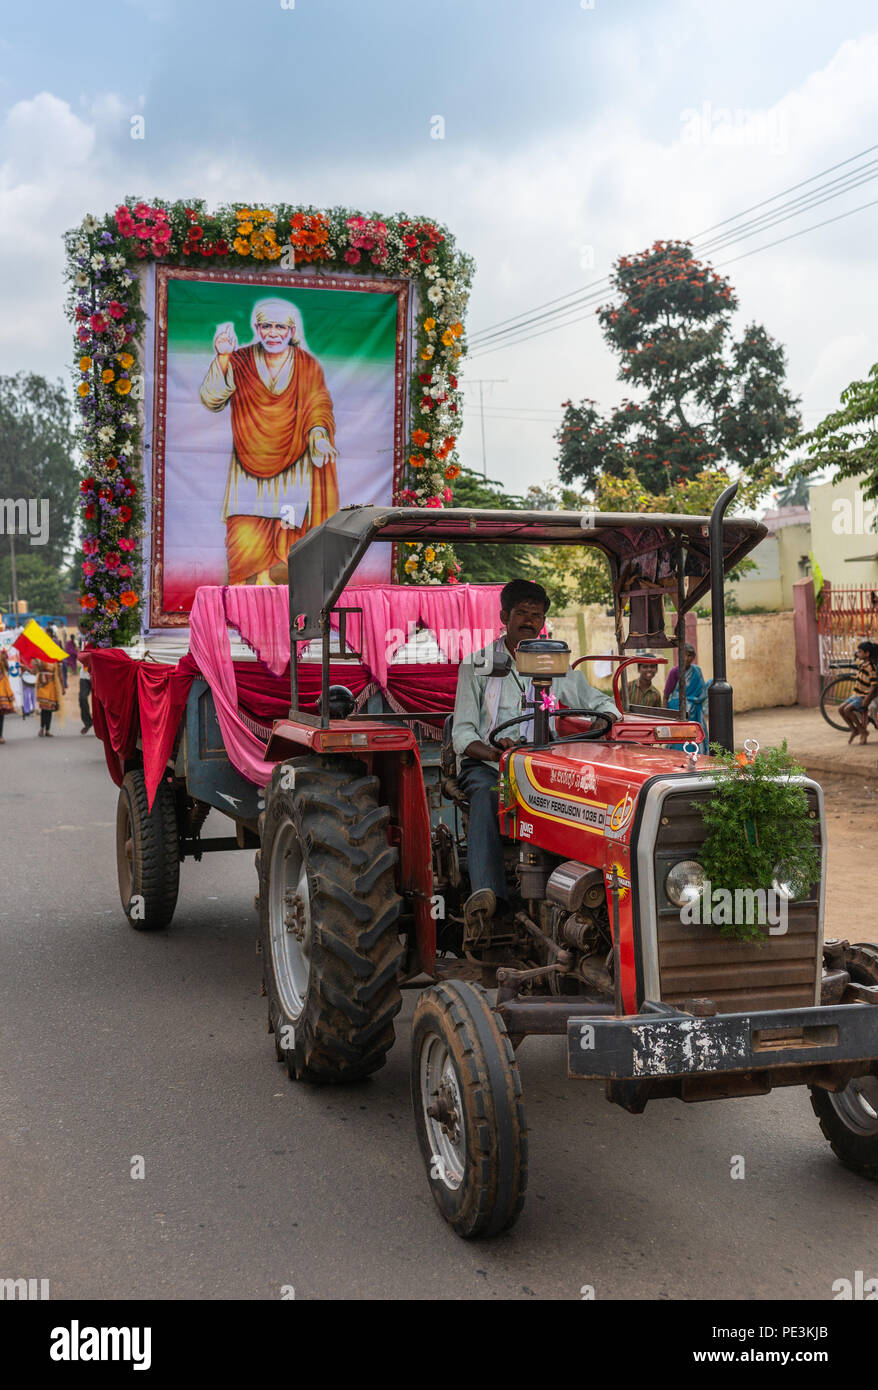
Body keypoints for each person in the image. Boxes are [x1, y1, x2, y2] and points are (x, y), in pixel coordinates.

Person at [452, 578, 620, 927]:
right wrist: (495, 753)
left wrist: (610, 721)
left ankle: (579, 895)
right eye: (522, 613)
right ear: (504, 616)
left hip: (540, 760)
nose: (529, 621)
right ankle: (489, 898)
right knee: (486, 794)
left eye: (537, 615)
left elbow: (598, 703)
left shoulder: (552, 663)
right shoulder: (479, 664)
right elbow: (463, 733)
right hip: (488, 763)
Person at [199, 297, 338, 586]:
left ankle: (269, 579)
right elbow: (212, 399)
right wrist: (223, 357)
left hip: (294, 460)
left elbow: (319, 404)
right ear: (257, 328)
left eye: (279, 327)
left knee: (284, 522)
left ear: (291, 331)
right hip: (247, 461)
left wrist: (319, 435)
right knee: (245, 521)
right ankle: (243, 589)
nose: (273, 333)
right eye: (266, 326)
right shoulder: (239, 360)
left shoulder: (307, 365)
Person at [664, 642, 709, 751]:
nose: (687, 658)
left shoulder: (697, 671)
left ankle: (695, 756)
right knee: (678, 736)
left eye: (690, 655)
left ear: (693, 657)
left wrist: (692, 702)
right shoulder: (674, 672)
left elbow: (702, 692)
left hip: (694, 711)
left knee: (693, 735)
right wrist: (665, 713)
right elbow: (666, 694)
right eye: (684, 655)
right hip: (677, 709)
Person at [839, 640, 878, 744]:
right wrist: (858, 653)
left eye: (860, 651)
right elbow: (858, 654)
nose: (858, 653)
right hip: (857, 695)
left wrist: (867, 699)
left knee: (847, 710)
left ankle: (862, 731)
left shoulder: (871, 667)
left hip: (864, 696)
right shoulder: (863, 663)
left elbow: (874, 686)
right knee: (840, 709)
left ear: (867, 653)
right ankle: (854, 729)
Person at [34, 658, 62, 737]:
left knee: (49, 709)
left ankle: (47, 730)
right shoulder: (41, 658)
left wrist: (62, 687)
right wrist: (37, 662)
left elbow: (59, 674)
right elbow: (38, 670)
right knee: (44, 708)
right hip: (43, 686)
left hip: (51, 686)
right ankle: (42, 728)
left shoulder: (55, 659)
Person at [0, 647, 15, 743]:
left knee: (1, 713)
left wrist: (4, 659)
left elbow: (7, 668)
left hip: (1, 686)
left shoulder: (1, 655)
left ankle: (0, 735)